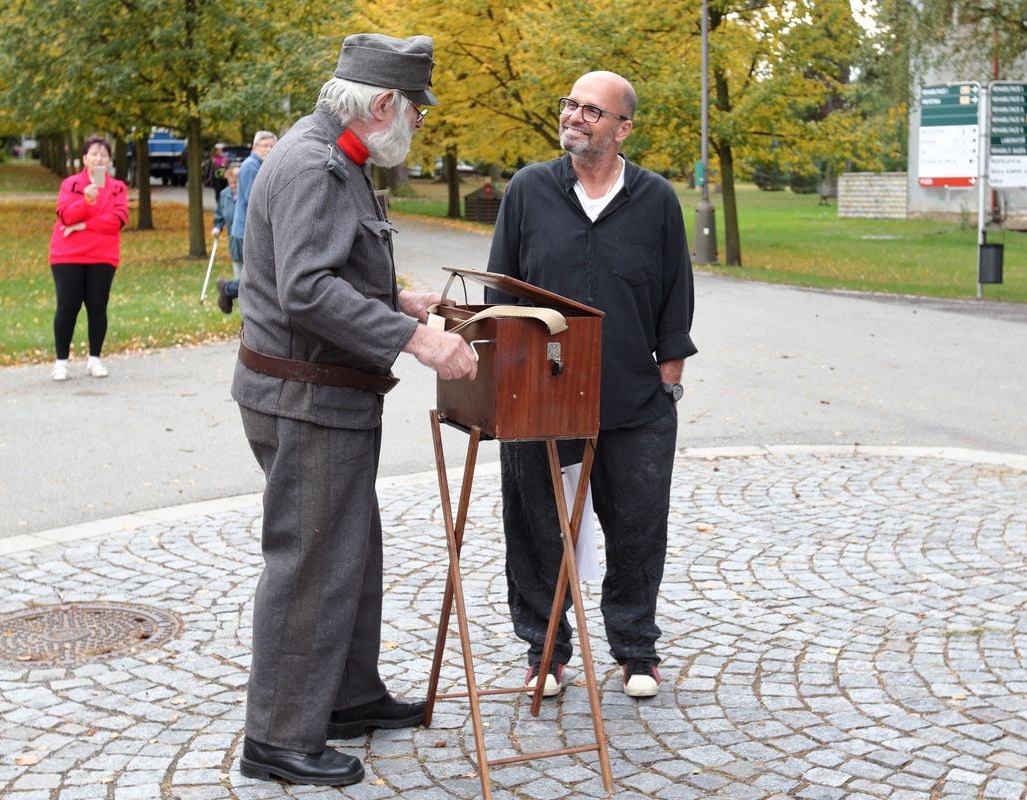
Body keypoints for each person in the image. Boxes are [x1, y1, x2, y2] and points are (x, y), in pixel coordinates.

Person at [231, 33, 477, 787]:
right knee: (310, 565)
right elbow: (306, 289)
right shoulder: (313, 162)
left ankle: (345, 696)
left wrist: (392, 296)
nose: (420, 124)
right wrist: (415, 339)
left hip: (323, 395)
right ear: (380, 105)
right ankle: (276, 737)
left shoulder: (335, 155)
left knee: (349, 553)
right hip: (307, 399)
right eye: (415, 110)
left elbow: (328, 268)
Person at [484, 71, 696, 699]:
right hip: (540, 397)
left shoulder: (656, 199)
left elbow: (674, 291)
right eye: (570, 105)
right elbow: (502, 288)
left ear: (623, 128)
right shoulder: (528, 189)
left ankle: (635, 652)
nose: (575, 116)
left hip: (632, 398)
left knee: (636, 524)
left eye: (592, 111)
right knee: (534, 522)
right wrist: (505, 378)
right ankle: (545, 651)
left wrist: (669, 374)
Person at [47, 135, 129, 381]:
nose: (99, 158)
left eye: (103, 154)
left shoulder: (117, 188)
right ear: (84, 158)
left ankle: (95, 359)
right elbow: (66, 217)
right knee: (68, 305)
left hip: (103, 255)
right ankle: (61, 361)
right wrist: (87, 201)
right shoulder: (71, 184)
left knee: (97, 305)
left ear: (109, 160)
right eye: (94, 154)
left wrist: (83, 226)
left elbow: (116, 221)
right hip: (67, 255)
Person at [216, 130, 276, 313]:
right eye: (265, 145)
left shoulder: (261, 165)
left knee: (259, 275)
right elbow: (253, 199)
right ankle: (228, 290)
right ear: (254, 147)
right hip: (247, 230)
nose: (269, 149)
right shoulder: (251, 166)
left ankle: (231, 293)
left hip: (249, 229)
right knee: (259, 275)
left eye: (272, 146)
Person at [210, 163, 240, 295]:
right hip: (233, 242)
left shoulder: (247, 194)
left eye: (236, 182)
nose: (233, 185)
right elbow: (220, 214)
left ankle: (227, 290)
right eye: (230, 182)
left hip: (248, 242)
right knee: (239, 276)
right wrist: (217, 226)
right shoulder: (224, 194)